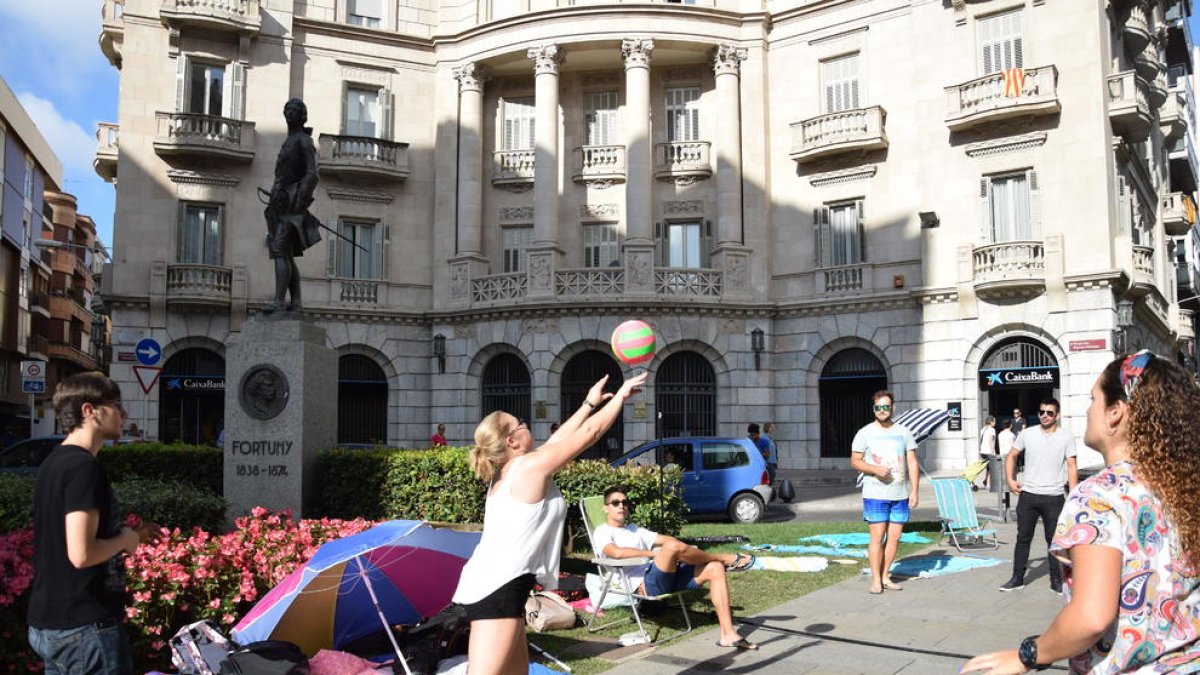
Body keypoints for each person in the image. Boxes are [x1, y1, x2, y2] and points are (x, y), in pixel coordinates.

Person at [962, 351, 1200, 673]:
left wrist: (1029, 655)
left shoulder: (1100, 494)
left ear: (1115, 412)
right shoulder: (1183, 484)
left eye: (1093, 399)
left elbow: (1090, 617)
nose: (1088, 409)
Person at [451, 370, 648, 675]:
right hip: (498, 589)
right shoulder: (528, 468)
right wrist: (621, 395)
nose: (527, 424)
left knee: (517, 672)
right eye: (523, 424)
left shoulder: (515, 468)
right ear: (513, 440)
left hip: (504, 585)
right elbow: (589, 435)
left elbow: (559, 439)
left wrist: (587, 403)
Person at [26, 373, 160, 675]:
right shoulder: (83, 468)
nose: (123, 414)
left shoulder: (54, 462)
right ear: (90, 410)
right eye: (115, 405)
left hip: (53, 622)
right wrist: (127, 540)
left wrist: (133, 535)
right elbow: (81, 553)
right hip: (84, 627)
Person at [592, 485, 758, 651]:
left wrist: (680, 549)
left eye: (625, 502)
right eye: (615, 503)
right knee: (673, 548)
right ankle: (724, 558)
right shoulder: (602, 532)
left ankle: (728, 634)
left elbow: (667, 540)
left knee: (714, 567)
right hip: (646, 584)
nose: (621, 506)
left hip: (666, 575)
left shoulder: (634, 529)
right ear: (606, 508)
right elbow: (616, 552)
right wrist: (653, 554)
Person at [997, 397, 1077, 593]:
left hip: (1054, 496)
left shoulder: (1066, 437)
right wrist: (1010, 479)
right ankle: (1017, 578)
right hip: (1029, 495)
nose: (1045, 416)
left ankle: (1056, 581)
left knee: (1054, 541)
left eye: (1050, 413)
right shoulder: (1027, 434)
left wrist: (1075, 497)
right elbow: (1012, 456)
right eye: (1042, 412)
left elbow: (1072, 466)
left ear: (1057, 415)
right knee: (1023, 537)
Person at [849, 390, 919, 595]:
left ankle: (886, 575)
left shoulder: (904, 432)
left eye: (885, 407)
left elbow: (913, 462)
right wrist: (874, 469)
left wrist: (914, 490)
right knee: (877, 538)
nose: (882, 410)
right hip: (875, 494)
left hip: (900, 494)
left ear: (892, 408)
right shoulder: (864, 433)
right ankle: (876, 580)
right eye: (878, 407)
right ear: (874, 409)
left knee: (895, 538)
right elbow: (855, 461)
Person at [262, 98, 322, 314]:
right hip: (279, 204)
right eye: (287, 108)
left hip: (290, 205)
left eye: (295, 109)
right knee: (285, 253)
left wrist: (298, 202)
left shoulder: (303, 141)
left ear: (302, 115)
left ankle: (279, 301)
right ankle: (295, 302)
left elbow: (312, 174)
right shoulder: (289, 141)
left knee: (279, 249)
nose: (290, 112)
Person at [977, 416, 997, 489]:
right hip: (989, 451)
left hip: (983, 451)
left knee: (988, 467)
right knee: (991, 468)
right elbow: (990, 440)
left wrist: (980, 450)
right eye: (994, 421)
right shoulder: (992, 430)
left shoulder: (983, 429)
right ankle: (988, 484)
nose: (995, 423)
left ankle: (986, 480)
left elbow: (981, 440)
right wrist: (993, 451)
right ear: (991, 422)